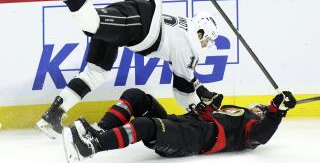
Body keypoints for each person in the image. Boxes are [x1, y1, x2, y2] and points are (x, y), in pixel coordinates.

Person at [36, 0, 223, 139]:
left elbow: (185, 78)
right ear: (201, 32)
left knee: (96, 73)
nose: (206, 45)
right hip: (139, 23)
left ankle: (53, 115)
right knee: (93, 24)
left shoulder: (185, 33)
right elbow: (183, 92)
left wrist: (201, 91)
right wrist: (201, 109)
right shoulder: (189, 45)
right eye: (207, 40)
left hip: (136, 24)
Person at [62, 88, 296, 162]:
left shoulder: (250, 128)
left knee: (145, 125)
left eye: (263, 111)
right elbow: (203, 115)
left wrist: (277, 112)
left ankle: (90, 147)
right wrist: (207, 105)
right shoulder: (236, 112)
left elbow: (262, 136)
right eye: (259, 107)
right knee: (137, 97)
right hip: (183, 123)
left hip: (193, 139)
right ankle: (101, 130)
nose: (260, 110)